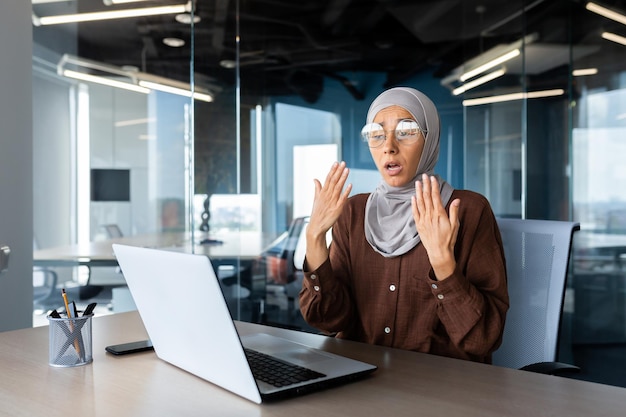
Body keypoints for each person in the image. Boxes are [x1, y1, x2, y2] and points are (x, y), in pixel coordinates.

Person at [299, 87, 509, 363]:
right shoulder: (353, 212)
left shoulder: (467, 211)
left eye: (406, 130)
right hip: (361, 380)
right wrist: (315, 238)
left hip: (442, 389)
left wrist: (443, 263)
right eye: (377, 134)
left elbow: (483, 339)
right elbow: (329, 319)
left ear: (429, 138)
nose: (389, 145)